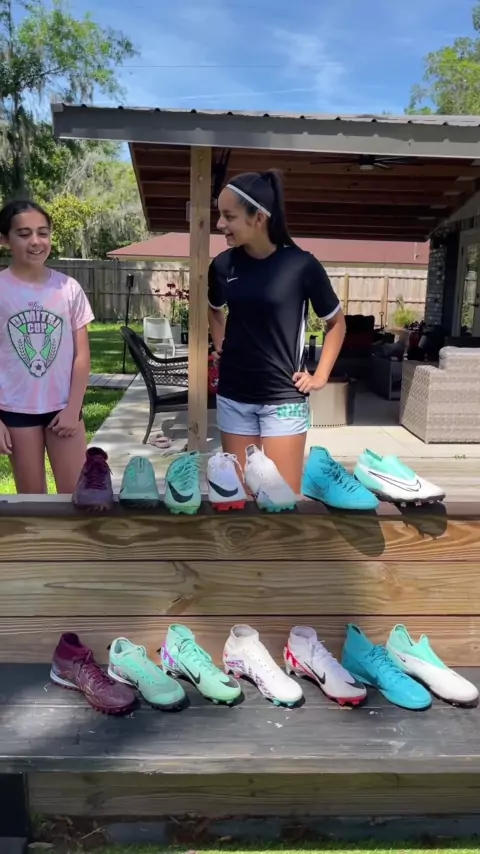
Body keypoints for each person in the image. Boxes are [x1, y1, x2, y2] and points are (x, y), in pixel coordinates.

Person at [208, 169, 346, 494]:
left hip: (283, 398)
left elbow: (336, 323)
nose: (220, 224)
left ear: (259, 218)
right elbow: (214, 308)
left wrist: (320, 376)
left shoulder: (302, 266)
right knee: (242, 497)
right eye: (219, 215)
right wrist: (220, 344)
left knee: (282, 500)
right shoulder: (223, 266)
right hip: (233, 394)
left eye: (229, 216)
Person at [0, 199, 94, 494]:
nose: (36, 241)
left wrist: (73, 408)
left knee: (77, 496)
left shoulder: (68, 288)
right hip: (16, 411)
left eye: (43, 232)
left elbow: (82, 355)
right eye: (24, 234)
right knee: (32, 501)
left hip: (64, 408)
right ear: (4, 240)